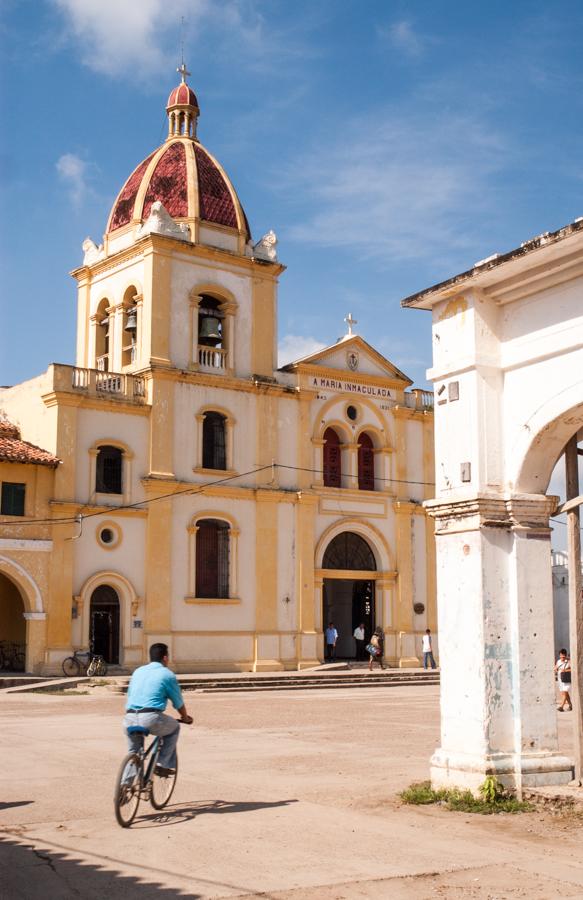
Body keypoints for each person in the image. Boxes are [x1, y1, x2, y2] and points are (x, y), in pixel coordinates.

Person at [124, 643, 193, 775]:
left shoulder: (138, 671)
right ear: (165, 658)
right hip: (151, 718)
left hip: (129, 717)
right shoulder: (167, 675)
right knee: (174, 728)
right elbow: (178, 703)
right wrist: (185, 718)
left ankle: (124, 788)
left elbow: (130, 695)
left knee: (134, 753)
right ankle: (162, 764)